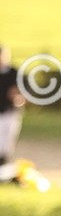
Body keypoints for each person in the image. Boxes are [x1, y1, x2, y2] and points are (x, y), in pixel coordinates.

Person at [0, 46, 25, 176]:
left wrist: (18, 97)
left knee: (8, 144)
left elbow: (21, 93)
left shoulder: (13, 72)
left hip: (10, 112)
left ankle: (4, 171)